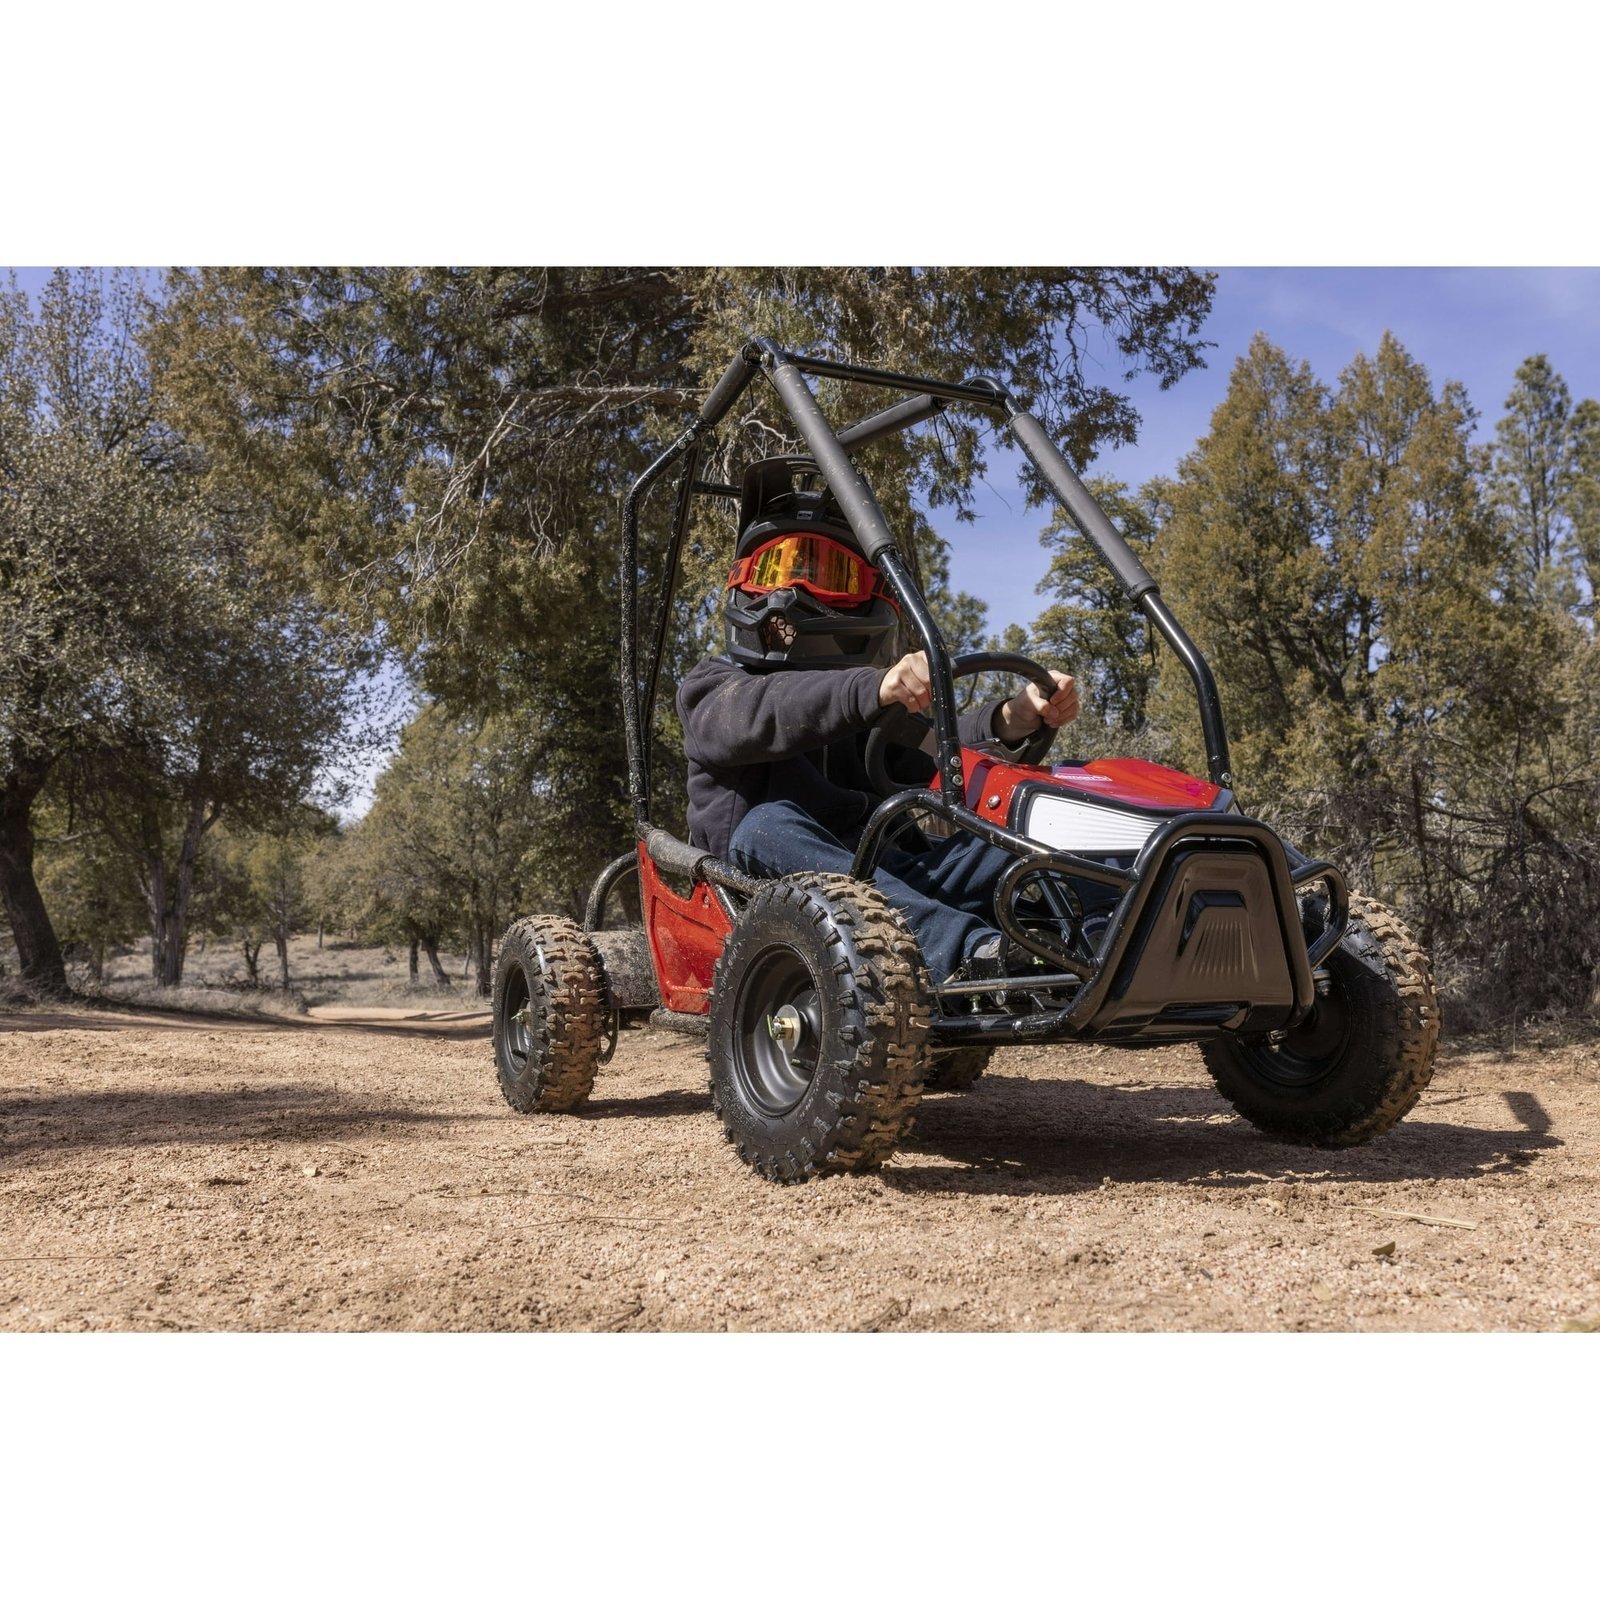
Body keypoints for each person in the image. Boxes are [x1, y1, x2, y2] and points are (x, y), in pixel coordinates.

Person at [677, 456, 1109, 988]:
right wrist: (873, 687)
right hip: (761, 891)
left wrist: (1012, 718)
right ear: (745, 585)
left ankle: (1103, 930)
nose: (800, 592)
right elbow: (768, 712)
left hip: (881, 879)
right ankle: (969, 952)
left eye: (834, 575)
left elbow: (939, 750)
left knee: (1014, 833)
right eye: (778, 571)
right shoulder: (711, 687)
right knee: (766, 826)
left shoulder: (866, 708)